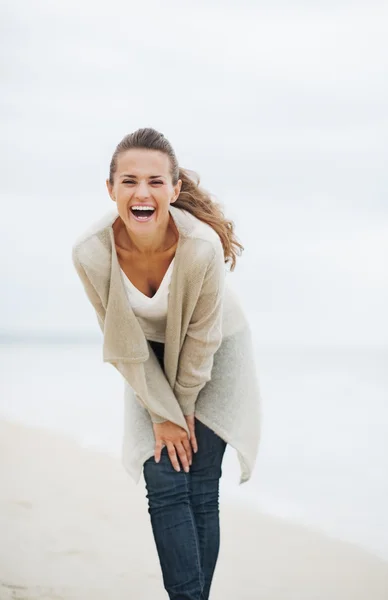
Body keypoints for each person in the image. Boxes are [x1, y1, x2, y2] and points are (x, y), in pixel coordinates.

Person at [72, 127, 262, 600]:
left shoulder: (201, 248)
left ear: (175, 190)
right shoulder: (90, 253)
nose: (142, 192)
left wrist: (183, 412)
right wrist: (163, 416)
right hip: (147, 357)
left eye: (156, 181)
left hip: (217, 352)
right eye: (130, 180)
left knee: (198, 481)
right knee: (163, 478)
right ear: (111, 189)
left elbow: (201, 342)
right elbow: (123, 343)